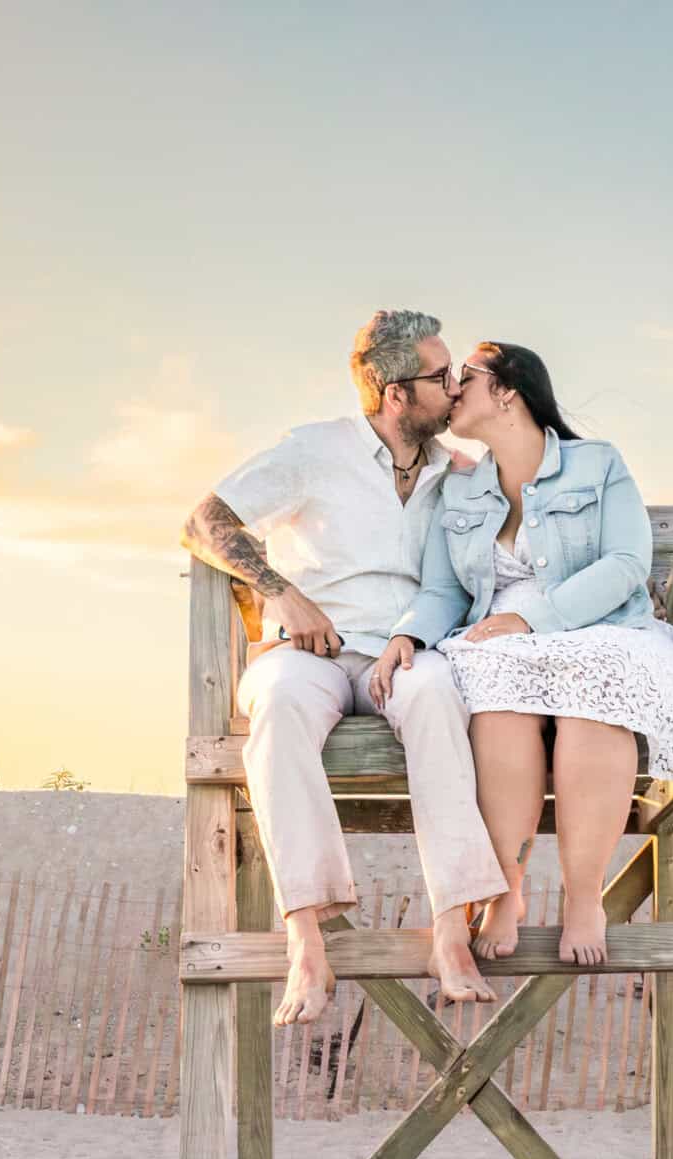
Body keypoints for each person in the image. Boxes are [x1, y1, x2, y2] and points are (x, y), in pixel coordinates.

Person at [374, 342, 673, 966]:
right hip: (500, 642)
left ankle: (585, 898)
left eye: (464, 378)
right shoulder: (460, 489)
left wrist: (533, 618)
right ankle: (507, 887)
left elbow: (627, 562)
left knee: (593, 695)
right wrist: (408, 634)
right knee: (496, 697)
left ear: (507, 390)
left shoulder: (596, 464)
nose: (450, 389)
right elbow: (444, 589)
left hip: (599, 625)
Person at [181, 310, 507, 1027]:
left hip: (412, 652)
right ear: (396, 394)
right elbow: (205, 521)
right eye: (441, 375)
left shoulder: (458, 475)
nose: (455, 387)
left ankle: (451, 931)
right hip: (312, 653)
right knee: (278, 708)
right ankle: (306, 937)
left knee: (436, 697)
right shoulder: (313, 451)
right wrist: (281, 593)